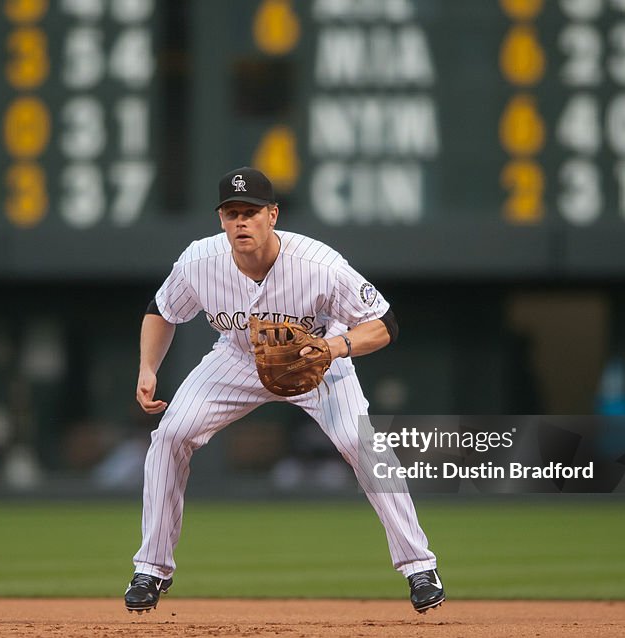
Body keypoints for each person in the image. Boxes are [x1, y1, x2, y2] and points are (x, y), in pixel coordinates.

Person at [124, 167, 444, 614]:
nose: (241, 222)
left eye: (251, 212)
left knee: (363, 444)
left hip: (317, 363)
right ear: (220, 219)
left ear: (272, 215)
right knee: (170, 436)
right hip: (236, 360)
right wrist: (148, 367)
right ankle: (151, 570)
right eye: (232, 212)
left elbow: (384, 324)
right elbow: (161, 309)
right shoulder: (199, 261)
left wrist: (333, 347)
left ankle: (419, 567)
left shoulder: (320, 265)